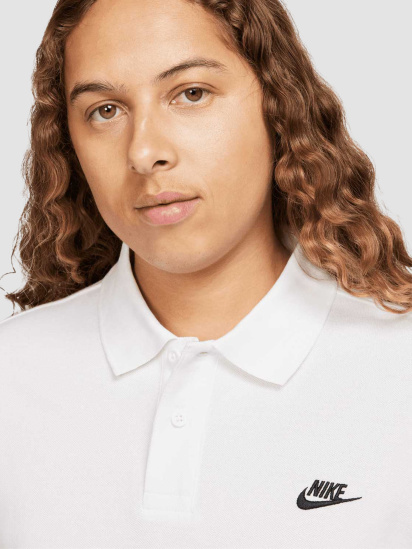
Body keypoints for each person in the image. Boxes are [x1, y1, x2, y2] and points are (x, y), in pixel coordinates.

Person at [0, 0, 411, 547]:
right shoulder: (12, 376)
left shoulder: (399, 367)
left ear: (279, 104)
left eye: (191, 93)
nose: (144, 152)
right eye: (105, 110)